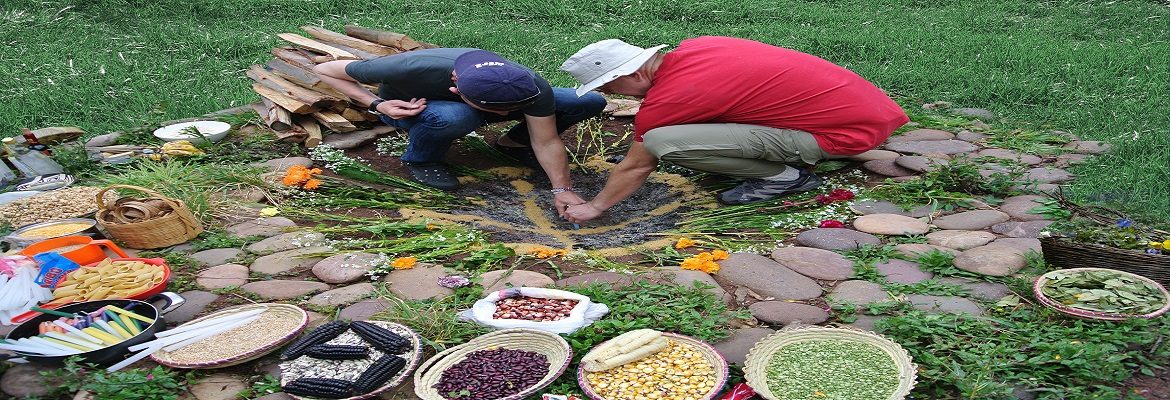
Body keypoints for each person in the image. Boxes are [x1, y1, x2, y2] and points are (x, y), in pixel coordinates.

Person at [558, 37, 909, 223]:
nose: (607, 94)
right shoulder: (700, 48)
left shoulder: (674, 96)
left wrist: (596, 207)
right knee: (659, 138)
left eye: (607, 86)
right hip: (868, 113)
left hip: (843, 135)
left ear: (635, 74)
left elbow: (638, 165)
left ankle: (784, 176)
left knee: (663, 142)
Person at [314, 48, 606, 213]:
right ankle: (423, 159)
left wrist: (562, 189)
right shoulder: (407, 67)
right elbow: (325, 70)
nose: (505, 116)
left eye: (512, 109)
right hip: (417, 109)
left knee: (587, 101)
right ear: (455, 87)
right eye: (498, 112)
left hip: (470, 103)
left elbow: (547, 140)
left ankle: (514, 144)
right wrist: (378, 104)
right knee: (457, 116)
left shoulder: (527, 84)